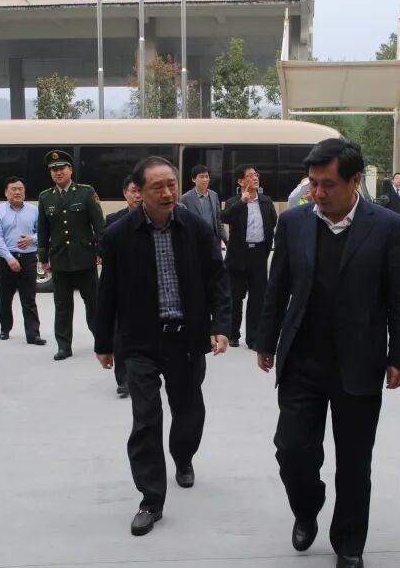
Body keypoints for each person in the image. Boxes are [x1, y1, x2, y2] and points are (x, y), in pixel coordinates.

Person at [256, 138, 400, 568]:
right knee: (291, 451)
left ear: (355, 181)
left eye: (327, 184)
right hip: (302, 361)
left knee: (354, 463)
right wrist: (266, 340)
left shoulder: (387, 227)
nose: (317, 193)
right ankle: (306, 509)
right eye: (313, 183)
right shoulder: (295, 223)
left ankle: (349, 542)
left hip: (359, 363)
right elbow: (277, 286)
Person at [95, 156, 230, 537]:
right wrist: (104, 342)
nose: (168, 192)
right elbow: (108, 292)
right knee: (146, 419)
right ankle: (151, 499)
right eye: (158, 186)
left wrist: (220, 326)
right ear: (139, 191)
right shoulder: (118, 235)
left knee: (189, 413)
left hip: (187, 339)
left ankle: (183, 457)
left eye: (171, 184)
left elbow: (217, 280)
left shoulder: (196, 229)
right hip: (140, 342)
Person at [37, 149, 105, 361]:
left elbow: (99, 225)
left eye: (61, 168)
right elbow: (43, 230)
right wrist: (43, 257)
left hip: (84, 258)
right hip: (60, 260)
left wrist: (101, 250)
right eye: (54, 170)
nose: (58, 173)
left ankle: (102, 342)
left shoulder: (85, 192)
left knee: (93, 305)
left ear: (70, 170)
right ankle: (64, 346)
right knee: (62, 307)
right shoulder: (45, 197)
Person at [221, 164, 277, 349]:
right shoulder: (234, 202)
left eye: (256, 175)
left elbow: (272, 222)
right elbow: (224, 217)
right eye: (250, 175)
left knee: (258, 298)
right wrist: (242, 202)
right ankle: (233, 334)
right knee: (235, 297)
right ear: (240, 181)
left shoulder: (266, 201)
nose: (255, 178)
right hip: (238, 256)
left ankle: (253, 337)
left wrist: (266, 248)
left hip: (258, 255)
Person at [0, 176, 45, 345]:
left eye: (20, 189)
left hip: (28, 258)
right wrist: (9, 259)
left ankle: (33, 334)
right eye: (13, 189)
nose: (17, 192)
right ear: (6, 192)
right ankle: (5, 329)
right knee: (5, 298)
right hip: (6, 259)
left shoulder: (34, 210)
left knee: (29, 298)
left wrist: (32, 239)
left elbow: (43, 233)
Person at [104, 175, 144, 398]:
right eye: (133, 191)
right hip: (123, 288)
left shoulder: (155, 217)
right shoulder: (113, 220)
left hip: (148, 286)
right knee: (121, 336)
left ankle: (144, 374)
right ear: (125, 193)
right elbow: (105, 250)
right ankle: (123, 379)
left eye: (140, 191)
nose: (137, 195)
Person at [179, 164, 227, 248]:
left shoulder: (214, 195)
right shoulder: (185, 198)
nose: (205, 180)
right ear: (194, 179)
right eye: (201, 177)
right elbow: (182, 224)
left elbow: (218, 221)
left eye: (207, 177)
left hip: (213, 241)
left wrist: (226, 239)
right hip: (195, 243)